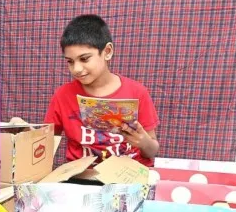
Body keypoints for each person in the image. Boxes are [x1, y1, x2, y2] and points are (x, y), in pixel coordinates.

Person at [45, 15, 160, 166]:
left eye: (84, 59)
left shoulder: (137, 92)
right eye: (70, 62)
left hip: (130, 178)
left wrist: (143, 142)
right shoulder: (62, 95)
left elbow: (153, 151)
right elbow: (45, 145)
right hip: (83, 179)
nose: (76, 69)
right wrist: (28, 134)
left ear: (107, 52)